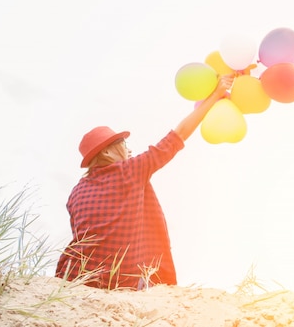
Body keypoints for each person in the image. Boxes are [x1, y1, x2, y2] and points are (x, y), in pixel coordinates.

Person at [55, 74, 234, 290]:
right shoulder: (129, 171)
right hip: (122, 280)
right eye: (122, 143)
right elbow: (177, 137)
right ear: (108, 152)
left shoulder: (76, 192)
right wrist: (215, 95)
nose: (128, 149)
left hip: (74, 277)